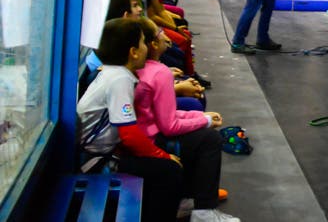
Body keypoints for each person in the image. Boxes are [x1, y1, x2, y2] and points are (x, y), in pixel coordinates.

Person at [77, 18, 184, 222]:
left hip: (102, 151)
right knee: (170, 171)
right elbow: (129, 134)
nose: (147, 47)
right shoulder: (120, 80)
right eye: (144, 42)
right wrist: (163, 156)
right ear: (133, 52)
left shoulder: (114, 73)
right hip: (96, 160)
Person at [134, 19, 238, 222]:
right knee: (210, 139)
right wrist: (204, 122)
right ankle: (204, 211)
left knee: (200, 133)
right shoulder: (159, 72)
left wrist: (199, 117)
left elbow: (162, 114)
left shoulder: (147, 70)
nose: (165, 35)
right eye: (160, 32)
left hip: (148, 132)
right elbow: (169, 125)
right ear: (152, 44)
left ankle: (188, 197)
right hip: (150, 141)